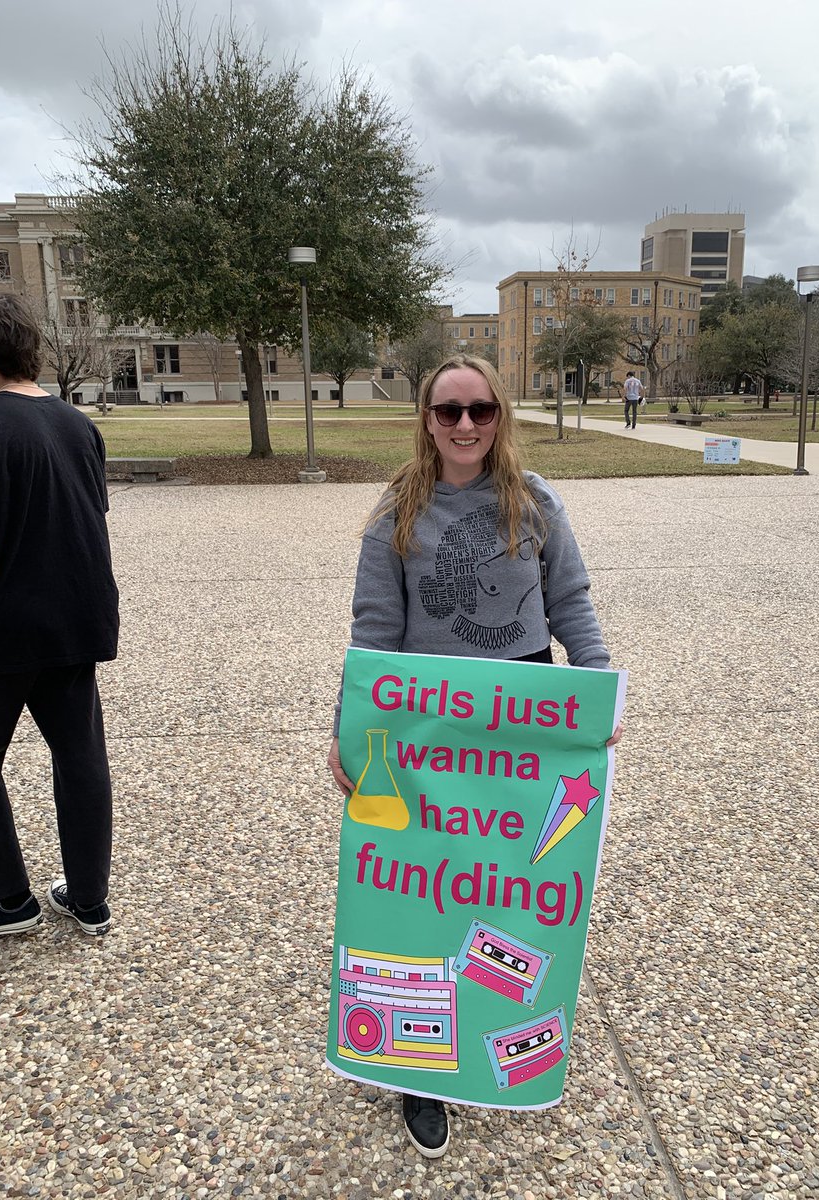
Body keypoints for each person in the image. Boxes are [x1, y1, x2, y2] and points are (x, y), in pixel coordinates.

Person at [327, 353, 621, 1157]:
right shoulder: (398, 509)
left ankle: (507, 1026)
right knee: (426, 889)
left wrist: (598, 694)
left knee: (515, 888)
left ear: (502, 416)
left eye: (481, 410)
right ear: (426, 419)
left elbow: (571, 602)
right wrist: (350, 733)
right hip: (429, 727)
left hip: (524, 723)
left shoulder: (534, 504)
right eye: (449, 411)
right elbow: (374, 629)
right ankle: (422, 1067)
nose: (465, 425)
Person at [0, 292, 119, 941]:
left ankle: (9, 899)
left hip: (3, 626)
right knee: (79, 755)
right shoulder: (78, 424)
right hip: (76, 617)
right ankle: (88, 900)